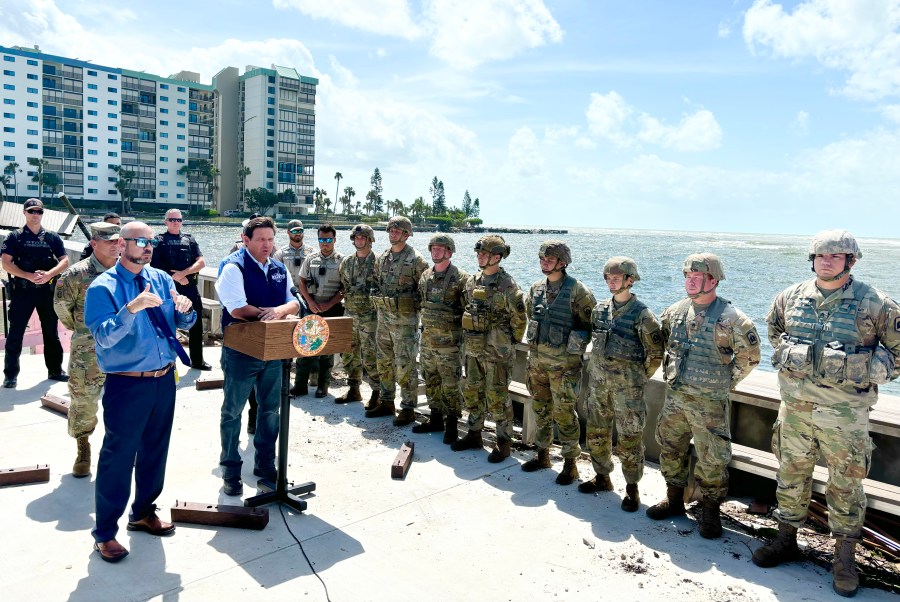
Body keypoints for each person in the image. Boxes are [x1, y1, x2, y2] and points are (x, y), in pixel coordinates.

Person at [754, 230, 900, 597]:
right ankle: (786, 539)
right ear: (812, 259)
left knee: (846, 485)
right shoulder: (790, 297)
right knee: (790, 475)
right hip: (796, 411)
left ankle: (844, 559)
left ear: (851, 261)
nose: (827, 260)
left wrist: (860, 368)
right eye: (821, 255)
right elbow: (775, 333)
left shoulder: (875, 303)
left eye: (837, 256)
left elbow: (897, 353)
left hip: (845, 416)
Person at [84, 221, 196, 563]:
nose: (147, 247)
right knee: (118, 457)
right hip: (127, 383)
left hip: (164, 378)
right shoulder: (103, 288)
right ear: (121, 244)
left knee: (155, 451)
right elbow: (103, 336)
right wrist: (130, 309)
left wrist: (186, 312)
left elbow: (179, 324)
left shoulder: (161, 279)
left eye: (151, 242)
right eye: (140, 241)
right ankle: (105, 533)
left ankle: (143, 512)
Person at [646, 253, 760, 539]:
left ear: (714, 280)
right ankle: (674, 500)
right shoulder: (674, 312)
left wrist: (723, 382)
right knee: (671, 447)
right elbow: (664, 345)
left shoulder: (731, 319)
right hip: (675, 399)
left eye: (698, 277)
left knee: (712, 458)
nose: (691, 281)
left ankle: (710, 511)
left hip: (709, 404)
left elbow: (749, 357)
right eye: (688, 276)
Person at [216, 216, 299, 496]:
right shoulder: (233, 267)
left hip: (273, 351)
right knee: (232, 411)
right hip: (241, 351)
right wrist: (271, 310)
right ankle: (230, 468)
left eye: (271, 239)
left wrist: (280, 311)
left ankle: (265, 464)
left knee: (270, 411)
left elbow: (293, 301)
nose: (267, 244)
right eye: (261, 239)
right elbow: (237, 309)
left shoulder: (278, 267)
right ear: (246, 240)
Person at [579, 257, 663, 511]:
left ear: (630, 280)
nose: (612, 282)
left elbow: (655, 354)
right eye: (608, 277)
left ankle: (632, 488)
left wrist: (635, 377)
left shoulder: (643, 316)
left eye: (617, 278)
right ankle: (602, 477)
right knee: (596, 433)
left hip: (628, 391)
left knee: (629, 439)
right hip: (599, 386)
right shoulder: (600, 310)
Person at [521, 241, 596, 484]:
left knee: (564, 414)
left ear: (562, 263)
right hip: (538, 363)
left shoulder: (577, 291)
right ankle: (542, 454)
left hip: (564, 367)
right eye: (542, 258)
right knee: (540, 410)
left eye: (550, 259)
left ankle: (570, 464)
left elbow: (590, 324)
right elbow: (530, 315)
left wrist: (572, 348)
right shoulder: (536, 289)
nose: (544, 262)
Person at [53, 222, 121, 478]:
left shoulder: (128, 271)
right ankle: (83, 447)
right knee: (84, 402)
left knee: (124, 404)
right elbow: (63, 310)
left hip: (123, 351)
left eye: (118, 241)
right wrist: (84, 332)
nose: (116, 245)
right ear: (94, 243)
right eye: (110, 241)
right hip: (88, 353)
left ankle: (122, 450)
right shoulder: (75, 275)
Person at [451, 235, 527, 460]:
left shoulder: (508, 286)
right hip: (474, 349)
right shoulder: (473, 281)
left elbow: (520, 319)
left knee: (497, 396)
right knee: (472, 390)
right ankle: (474, 433)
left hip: (497, 352)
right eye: (478, 254)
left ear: (497, 257)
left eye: (484, 254)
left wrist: (506, 342)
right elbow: (467, 306)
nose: (480, 257)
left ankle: (503, 441)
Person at [365, 216, 429, 425]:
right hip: (384, 320)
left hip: (405, 323)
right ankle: (386, 401)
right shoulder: (383, 257)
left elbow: (425, 290)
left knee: (405, 365)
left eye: (397, 231)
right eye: (391, 230)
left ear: (406, 234)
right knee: (383, 362)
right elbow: (376, 282)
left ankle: (408, 407)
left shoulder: (416, 260)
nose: (393, 233)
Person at [2, 198, 70, 388]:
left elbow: (64, 261)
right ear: (24, 213)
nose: (35, 214)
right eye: (31, 211)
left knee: (51, 333)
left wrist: (49, 273)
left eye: (39, 211)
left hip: (46, 292)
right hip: (22, 291)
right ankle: (10, 375)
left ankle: (55, 370)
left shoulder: (51, 237)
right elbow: (6, 263)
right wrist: (28, 276)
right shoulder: (14, 237)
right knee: (15, 333)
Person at [412, 234, 468, 440]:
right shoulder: (425, 276)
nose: (435, 252)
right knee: (431, 381)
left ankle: (452, 423)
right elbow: (421, 304)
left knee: (451, 385)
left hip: (450, 345)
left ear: (449, 252)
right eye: (433, 248)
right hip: (427, 342)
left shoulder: (461, 279)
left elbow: (467, 310)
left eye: (440, 249)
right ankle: (435, 418)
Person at [151, 208, 210, 370]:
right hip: (166, 290)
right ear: (165, 222)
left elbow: (201, 262)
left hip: (189, 288)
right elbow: (154, 267)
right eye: (172, 220)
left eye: (178, 220)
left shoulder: (189, 239)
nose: (175, 222)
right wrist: (174, 278)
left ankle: (197, 360)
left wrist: (183, 274)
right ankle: (165, 361)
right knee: (165, 324)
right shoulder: (158, 240)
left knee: (196, 324)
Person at [295, 224, 344, 398]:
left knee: (327, 350)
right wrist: (309, 302)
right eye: (322, 240)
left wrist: (329, 304)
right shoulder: (310, 258)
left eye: (328, 239)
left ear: (334, 240)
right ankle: (300, 385)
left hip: (332, 308)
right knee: (305, 347)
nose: (325, 243)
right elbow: (301, 281)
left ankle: (323, 386)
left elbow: (344, 288)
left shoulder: (341, 261)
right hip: (312, 307)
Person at [336, 224, 380, 407]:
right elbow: (344, 285)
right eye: (356, 237)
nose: (359, 240)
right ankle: (354, 389)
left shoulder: (378, 262)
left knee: (371, 356)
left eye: (363, 237)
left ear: (370, 240)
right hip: (350, 314)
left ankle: (377, 392)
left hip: (371, 317)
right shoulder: (347, 262)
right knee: (348, 353)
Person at [274, 219, 315, 394]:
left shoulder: (312, 252)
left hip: (309, 299)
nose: (297, 233)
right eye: (294, 231)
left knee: (308, 340)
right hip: (288, 302)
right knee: (287, 340)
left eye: (300, 230)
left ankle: (304, 382)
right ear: (288, 233)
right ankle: (283, 380)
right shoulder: (280, 254)